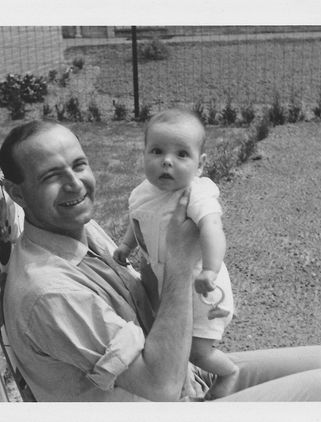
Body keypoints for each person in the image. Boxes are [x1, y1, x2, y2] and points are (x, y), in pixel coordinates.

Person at [0, 119, 321, 402]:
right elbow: (159, 387)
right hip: (165, 398)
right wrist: (180, 263)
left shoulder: (78, 229)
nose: (75, 184)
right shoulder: (49, 294)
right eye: (51, 176)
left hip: (184, 375)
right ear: (17, 193)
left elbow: (147, 298)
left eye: (79, 165)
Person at [112, 108, 237, 399]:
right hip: (167, 282)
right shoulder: (142, 193)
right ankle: (185, 381)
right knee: (171, 338)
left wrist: (210, 269)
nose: (167, 161)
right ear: (144, 154)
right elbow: (137, 219)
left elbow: (213, 230)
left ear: (200, 164)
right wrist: (127, 245)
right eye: (157, 151)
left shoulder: (195, 195)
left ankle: (229, 373)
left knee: (196, 350)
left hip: (201, 287)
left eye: (181, 154)